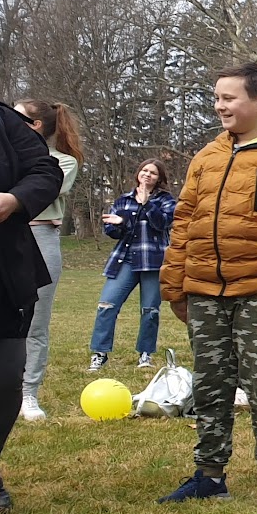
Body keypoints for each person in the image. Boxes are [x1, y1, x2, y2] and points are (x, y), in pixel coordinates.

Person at [156, 61, 257, 509]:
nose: (219, 105)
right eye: (217, 97)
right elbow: (184, 220)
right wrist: (176, 286)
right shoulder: (207, 157)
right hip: (204, 291)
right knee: (209, 383)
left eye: (228, 98)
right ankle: (209, 474)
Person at [0, 102, 71, 512]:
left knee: (7, 375)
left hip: (4, 272)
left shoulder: (6, 120)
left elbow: (47, 171)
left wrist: (13, 199)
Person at [13, 100, 80, 421]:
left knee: (35, 324)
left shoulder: (62, 163)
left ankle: (28, 394)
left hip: (41, 240)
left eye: (17, 115)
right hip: (8, 238)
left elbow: (40, 190)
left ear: (36, 125)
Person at [86, 159, 177, 374]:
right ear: (138, 173)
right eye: (144, 170)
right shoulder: (123, 200)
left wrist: (147, 204)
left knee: (150, 311)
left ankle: (145, 354)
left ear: (159, 178)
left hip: (153, 262)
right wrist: (117, 225)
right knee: (107, 305)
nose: (147, 175)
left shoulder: (166, 200)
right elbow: (113, 232)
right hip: (125, 260)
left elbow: (163, 223)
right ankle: (99, 354)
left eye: (153, 173)